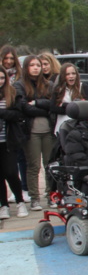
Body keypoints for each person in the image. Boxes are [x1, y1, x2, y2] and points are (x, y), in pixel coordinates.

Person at [14, 55, 55, 210]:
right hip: (31, 131)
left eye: (38, 65)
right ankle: (34, 198)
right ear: (26, 67)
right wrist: (43, 108)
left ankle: (51, 195)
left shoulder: (49, 84)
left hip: (48, 130)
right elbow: (24, 108)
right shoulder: (19, 85)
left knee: (50, 165)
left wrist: (38, 102)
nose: (36, 67)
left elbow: (53, 105)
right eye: (32, 65)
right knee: (33, 166)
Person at [0, 68, 27, 219]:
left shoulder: (12, 93)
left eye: (2, 78)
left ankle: (20, 201)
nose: (0, 81)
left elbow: (18, 114)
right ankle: (3, 205)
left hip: (8, 140)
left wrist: (2, 113)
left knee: (11, 172)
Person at [50, 63, 88, 135]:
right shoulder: (58, 89)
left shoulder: (83, 87)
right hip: (62, 126)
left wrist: (64, 105)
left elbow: (87, 108)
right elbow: (53, 108)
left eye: (73, 73)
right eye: (67, 74)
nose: (71, 76)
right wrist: (74, 107)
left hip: (79, 127)